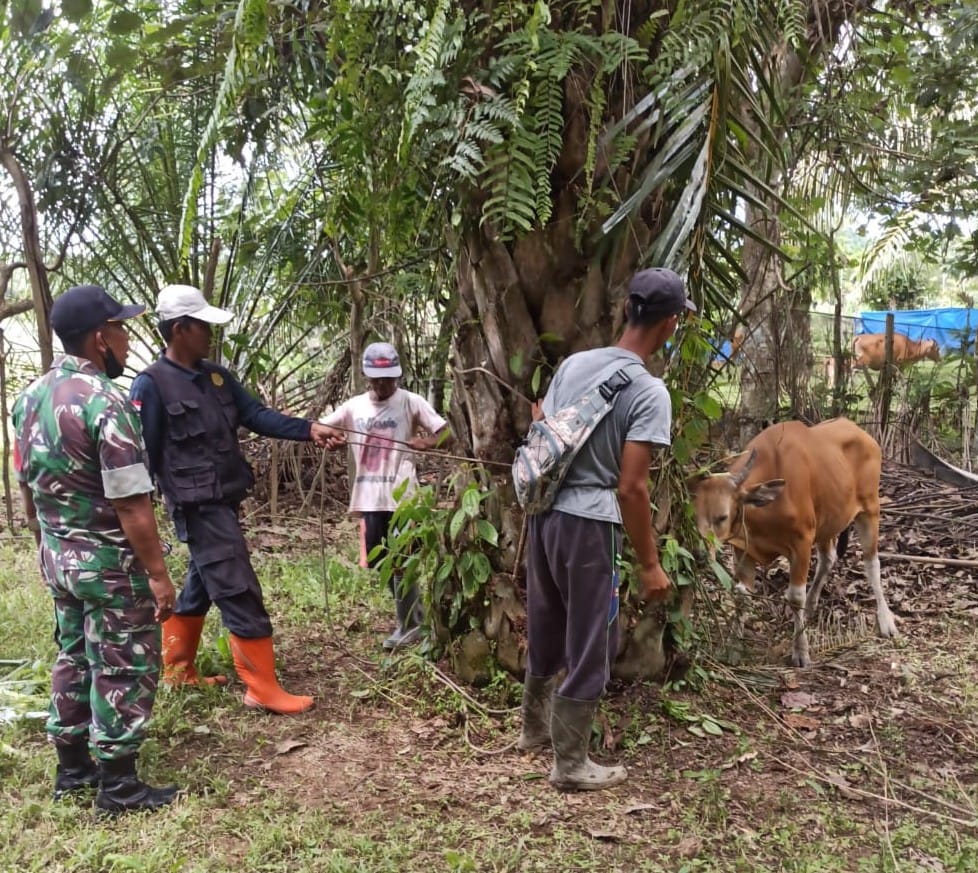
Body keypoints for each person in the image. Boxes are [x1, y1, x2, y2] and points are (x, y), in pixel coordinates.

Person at [517, 267, 695, 791]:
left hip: (543, 517)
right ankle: (570, 763)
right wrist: (649, 564)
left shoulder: (573, 364)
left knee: (546, 620)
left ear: (625, 310)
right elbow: (632, 488)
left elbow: (542, 421)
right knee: (591, 635)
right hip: (589, 526)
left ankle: (533, 730)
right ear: (670, 325)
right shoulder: (648, 391)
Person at [13, 284, 179, 815]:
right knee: (123, 662)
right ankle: (119, 784)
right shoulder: (105, 401)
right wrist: (157, 574)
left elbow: (30, 485)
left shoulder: (29, 397)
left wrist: (52, 547)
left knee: (74, 654)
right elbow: (132, 504)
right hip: (110, 563)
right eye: (122, 329)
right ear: (101, 338)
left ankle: (73, 768)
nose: (128, 340)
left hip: (60, 559)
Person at [130, 284, 332, 715]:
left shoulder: (216, 376)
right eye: (203, 326)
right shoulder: (152, 384)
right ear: (180, 329)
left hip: (223, 499)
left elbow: (256, 415)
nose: (210, 334)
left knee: (201, 584)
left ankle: (177, 670)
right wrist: (139, 512)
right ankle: (260, 687)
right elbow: (144, 452)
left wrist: (309, 429)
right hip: (196, 504)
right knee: (238, 587)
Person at [320, 342, 450, 649]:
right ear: (368, 377)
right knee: (380, 560)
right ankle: (414, 617)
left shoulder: (410, 402)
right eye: (378, 379)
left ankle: (410, 625)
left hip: (403, 497)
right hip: (369, 497)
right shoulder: (354, 407)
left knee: (402, 560)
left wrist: (427, 443)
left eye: (389, 379)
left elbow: (445, 432)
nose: (383, 385)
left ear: (397, 376)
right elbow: (320, 428)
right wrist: (332, 439)